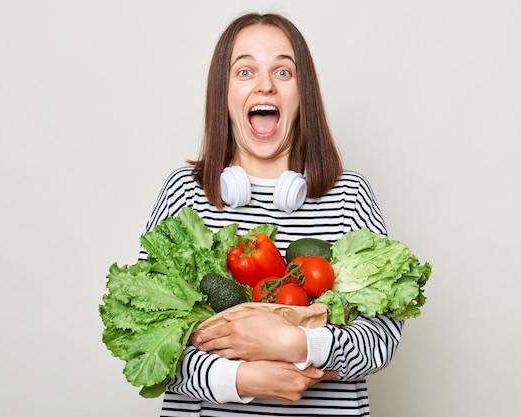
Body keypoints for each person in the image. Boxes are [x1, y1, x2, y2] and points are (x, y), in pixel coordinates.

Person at [139, 12, 402, 417]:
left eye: (283, 71)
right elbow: (147, 332)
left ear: (303, 94)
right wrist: (239, 380)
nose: (265, 85)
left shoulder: (349, 195)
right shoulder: (185, 193)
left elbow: (382, 339)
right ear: (223, 94)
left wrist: (295, 345)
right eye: (245, 71)